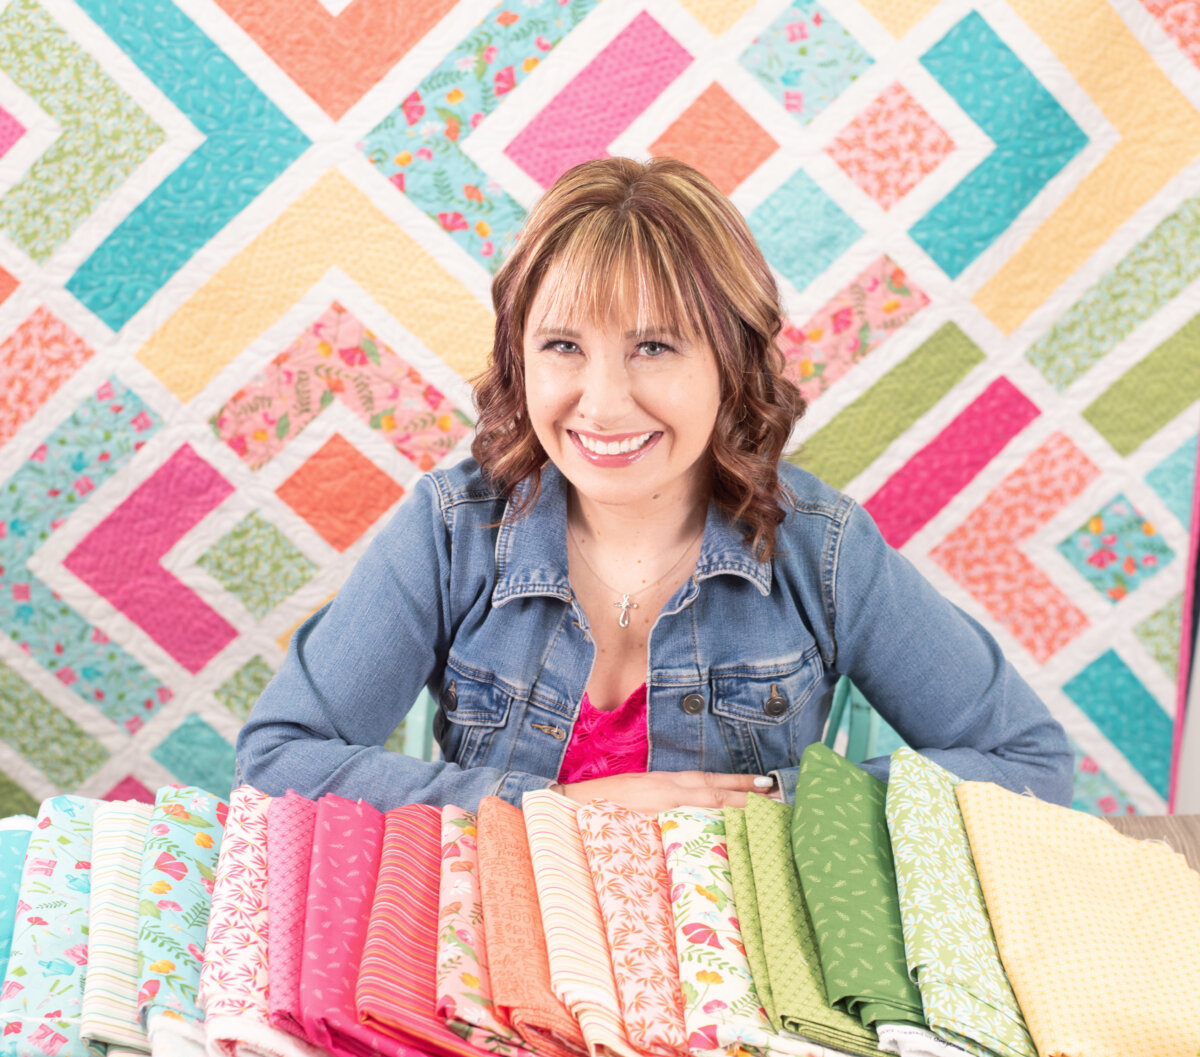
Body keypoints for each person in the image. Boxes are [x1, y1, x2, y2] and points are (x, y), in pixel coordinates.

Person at [234, 157, 1073, 814]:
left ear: (732, 361)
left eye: (654, 347)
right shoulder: (451, 533)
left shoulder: (820, 550)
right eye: (564, 345)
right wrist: (559, 809)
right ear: (519, 357)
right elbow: (276, 762)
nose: (602, 404)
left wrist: (782, 805)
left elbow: (1028, 763)